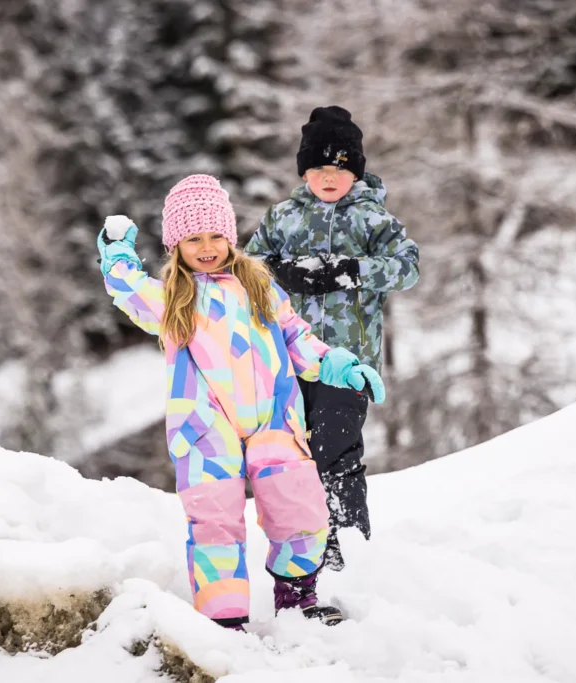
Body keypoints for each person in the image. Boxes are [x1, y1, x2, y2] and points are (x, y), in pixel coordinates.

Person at [97, 174, 386, 630]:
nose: (207, 246)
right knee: (214, 518)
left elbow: (296, 335)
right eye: (194, 238)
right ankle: (224, 618)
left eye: (215, 235)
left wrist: (337, 365)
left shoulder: (260, 286)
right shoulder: (174, 298)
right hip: (206, 424)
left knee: (298, 503)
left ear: (230, 237)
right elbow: (128, 288)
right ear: (176, 245)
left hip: (275, 415)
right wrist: (116, 253)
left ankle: (298, 599)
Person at [244, 106, 420, 570]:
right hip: (289, 359)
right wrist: (283, 273)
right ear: (305, 171)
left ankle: (347, 545)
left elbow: (408, 267)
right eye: (319, 168)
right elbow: (247, 269)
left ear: (354, 171)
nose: (328, 177)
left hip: (348, 360)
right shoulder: (282, 218)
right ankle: (303, 548)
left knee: (337, 452)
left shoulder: (371, 219)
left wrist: (351, 272)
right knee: (294, 457)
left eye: (339, 168)